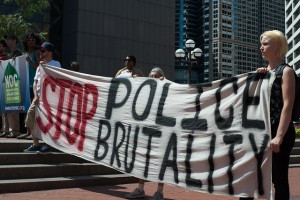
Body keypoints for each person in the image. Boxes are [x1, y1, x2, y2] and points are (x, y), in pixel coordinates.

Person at [240, 30, 296, 200]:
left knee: (278, 180)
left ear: (277, 45)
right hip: (261, 132)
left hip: (280, 132)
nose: (261, 48)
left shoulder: (286, 71)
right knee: (248, 175)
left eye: (265, 44)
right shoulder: (264, 72)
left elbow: (288, 105)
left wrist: (279, 136)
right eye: (261, 44)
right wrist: (260, 77)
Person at [125, 67, 165, 200]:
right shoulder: (146, 91)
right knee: (142, 159)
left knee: (161, 162)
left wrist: (164, 82)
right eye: (151, 76)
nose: (153, 78)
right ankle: (140, 189)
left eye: (156, 76)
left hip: (161, 132)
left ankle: (159, 192)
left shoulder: (167, 89)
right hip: (146, 130)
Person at [23, 42, 61, 153]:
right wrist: (35, 95)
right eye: (40, 51)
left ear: (50, 52)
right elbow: (35, 82)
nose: (41, 53)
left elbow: (57, 79)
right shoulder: (39, 66)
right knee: (30, 117)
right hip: (38, 98)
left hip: (50, 99)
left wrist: (44, 65)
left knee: (47, 122)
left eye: (43, 51)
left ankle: (48, 145)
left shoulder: (56, 63)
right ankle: (36, 144)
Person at [17, 33, 42, 140]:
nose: (31, 41)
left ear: (36, 41)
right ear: (26, 42)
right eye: (29, 40)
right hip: (25, 85)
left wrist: (29, 61)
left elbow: (39, 68)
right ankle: (28, 132)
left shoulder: (37, 53)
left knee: (32, 109)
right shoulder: (25, 54)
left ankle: (33, 133)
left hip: (33, 84)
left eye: (33, 40)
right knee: (27, 109)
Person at [0, 34, 22, 138]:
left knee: (12, 108)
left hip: (14, 84)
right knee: (5, 108)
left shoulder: (18, 53)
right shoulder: (9, 54)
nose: (7, 41)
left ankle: (15, 131)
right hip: (7, 83)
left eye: (8, 39)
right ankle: (6, 130)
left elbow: (17, 66)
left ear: (14, 40)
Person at [0, 39, 9, 137]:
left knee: (5, 109)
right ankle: (3, 129)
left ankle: (7, 130)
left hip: (4, 86)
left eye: (0, 46)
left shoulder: (6, 57)